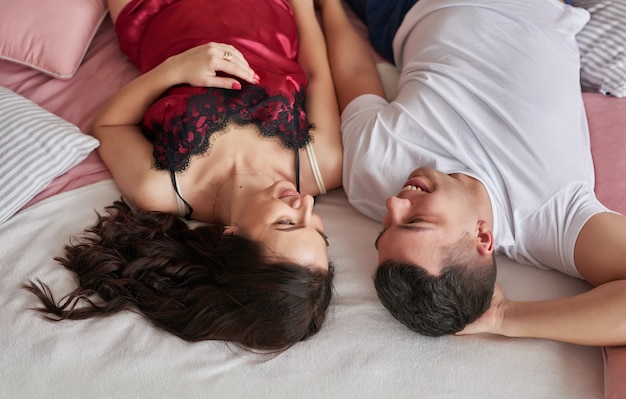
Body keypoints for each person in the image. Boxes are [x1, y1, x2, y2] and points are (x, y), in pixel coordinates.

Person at [23, 0, 342, 352]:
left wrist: (174, 71)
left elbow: (109, 124)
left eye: (287, 223)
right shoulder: (320, 163)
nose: (306, 203)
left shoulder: (162, 188)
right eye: (317, 226)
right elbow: (315, 72)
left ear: (232, 239)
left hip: (156, 11)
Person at [317, 0, 626, 346]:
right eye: (415, 222)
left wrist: (330, 5)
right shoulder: (553, 217)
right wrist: (504, 317)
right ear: (482, 238)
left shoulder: (371, 172)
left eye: (385, 228)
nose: (393, 204)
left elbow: (356, 74)